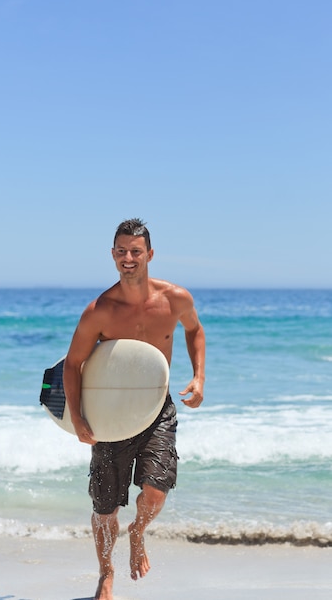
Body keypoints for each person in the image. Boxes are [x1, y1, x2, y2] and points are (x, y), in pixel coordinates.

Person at [63, 218, 205, 600]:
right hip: (110, 417)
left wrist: (199, 377)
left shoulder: (175, 298)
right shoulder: (100, 310)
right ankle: (106, 574)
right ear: (113, 255)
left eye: (136, 251)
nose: (129, 258)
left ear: (150, 255)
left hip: (157, 408)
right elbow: (72, 364)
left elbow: (194, 330)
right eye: (122, 251)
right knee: (105, 506)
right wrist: (78, 418)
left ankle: (138, 531)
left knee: (155, 493)